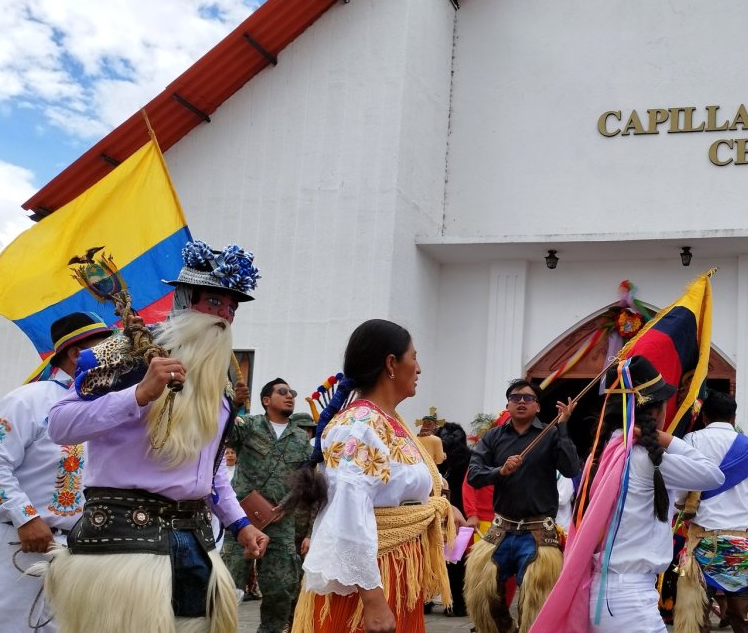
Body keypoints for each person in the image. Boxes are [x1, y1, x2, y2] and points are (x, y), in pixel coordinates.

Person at [42, 240, 269, 633]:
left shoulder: (223, 380)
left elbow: (210, 471)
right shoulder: (124, 351)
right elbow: (60, 425)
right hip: (123, 540)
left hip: (195, 541)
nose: (224, 316)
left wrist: (239, 523)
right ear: (185, 299)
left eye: (232, 308)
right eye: (214, 303)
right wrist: (138, 395)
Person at [534, 355, 726, 633]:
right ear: (655, 412)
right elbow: (712, 475)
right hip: (629, 597)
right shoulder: (643, 458)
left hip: (606, 593)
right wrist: (664, 438)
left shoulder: (600, 455)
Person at [287, 319, 452, 633]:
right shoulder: (359, 426)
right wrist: (373, 600)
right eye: (413, 357)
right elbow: (348, 508)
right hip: (371, 577)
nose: (419, 368)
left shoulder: (390, 421)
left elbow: (403, 489)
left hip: (398, 569)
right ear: (391, 363)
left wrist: (437, 508)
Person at [0, 312, 113, 633]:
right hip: (18, 546)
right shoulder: (28, 400)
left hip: (77, 553)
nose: (114, 356)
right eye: (105, 347)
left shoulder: (105, 410)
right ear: (76, 354)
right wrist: (26, 517)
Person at [465, 378, 581, 633]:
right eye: (515, 397)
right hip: (502, 527)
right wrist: (500, 471)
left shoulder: (550, 434)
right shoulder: (493, 437)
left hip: (538, 530)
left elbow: (572, 468)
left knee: (536, 600)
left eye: (528, 398)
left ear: (538, 407)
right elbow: (474, 474)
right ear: (507, 404)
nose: (521, 402)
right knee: (483, 593)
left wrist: (562, 427)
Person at [675, 390, 748, 633]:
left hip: (701, 547)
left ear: (704, 416)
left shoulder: (691, 441)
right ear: (733, 418)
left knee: (695, 620)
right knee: (743, 621)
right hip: (739, 547)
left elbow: (680, 493)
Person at [224, 377, 313, 633]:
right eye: (282, 392)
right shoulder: (249, 425)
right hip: (242, 520)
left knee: (280, 589)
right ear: (266, 400)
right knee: (229, 585)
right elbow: (223, 433)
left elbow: (306, 481)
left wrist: (286, 506)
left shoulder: (300, 438)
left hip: (281, 523)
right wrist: (234, 403)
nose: (289, 396)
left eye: (292, 393)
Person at [436, 422, 472, 617]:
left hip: (439, 511)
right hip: (461, 514)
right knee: (456, 561)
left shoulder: (436, 459)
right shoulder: (470, 459)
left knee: (433, 559)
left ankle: (427, 602)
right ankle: (457, 604)